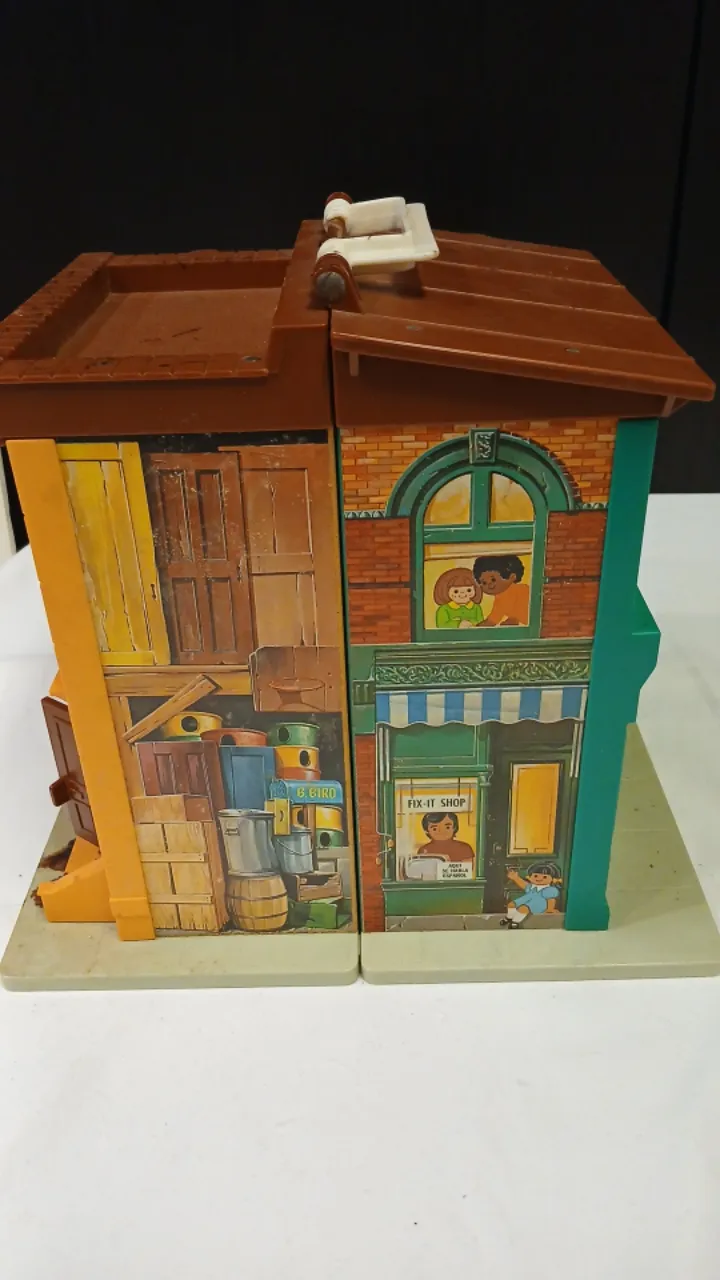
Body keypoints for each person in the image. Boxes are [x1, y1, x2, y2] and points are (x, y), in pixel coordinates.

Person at [472, 554, 530, 627]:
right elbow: (493, 619)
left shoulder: (512, 593)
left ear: (512, 576)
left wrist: (474, 629)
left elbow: (491, 621)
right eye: (484, 583)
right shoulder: (502, 596)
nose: (489, 585)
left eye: (493, 580)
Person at [500, 861, 562, 928]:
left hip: (538, 904)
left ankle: (515, 922)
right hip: (527, 900)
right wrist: (515, 878)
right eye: (535, 876)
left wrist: (550, 910)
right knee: (511, 904)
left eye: (544, 877)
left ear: (553, 879)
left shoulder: (550, 890)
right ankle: (509, 918)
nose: (539, 878)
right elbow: (523, 884)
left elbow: (551, 900)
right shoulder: (531, 886)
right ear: (530, 877)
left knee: (523, 909)